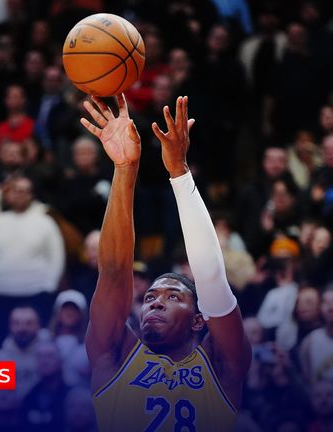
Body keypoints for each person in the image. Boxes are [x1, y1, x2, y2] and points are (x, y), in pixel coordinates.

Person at [82, 94, 251, 431]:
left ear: (199, 320)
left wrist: (179, 173)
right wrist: (124, 168)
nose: (156, 303)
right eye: (150, 297)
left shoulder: (222, 365)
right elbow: (113, 272)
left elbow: (211, 277)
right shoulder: (114, 356)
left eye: (173, 296)